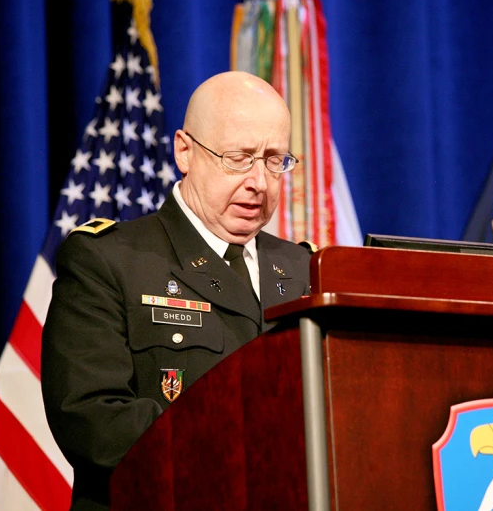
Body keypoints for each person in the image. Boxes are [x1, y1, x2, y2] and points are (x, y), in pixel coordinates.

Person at [41, 70, 313, 510]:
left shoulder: (306, 269)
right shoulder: (109, 261)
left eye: (273, 160)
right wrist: (249, 443)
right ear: (184, 152)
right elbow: (93, 421)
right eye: (239, 158)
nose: (259, 182)